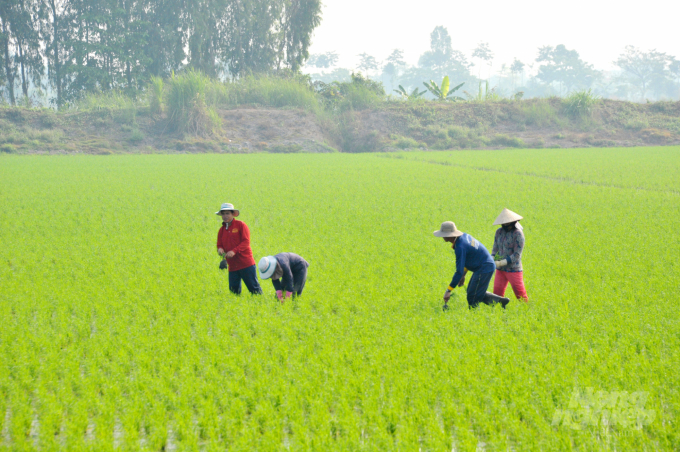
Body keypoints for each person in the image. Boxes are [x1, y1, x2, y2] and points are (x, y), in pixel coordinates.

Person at [433, 221, 510, 310]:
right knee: (473, 291)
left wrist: (448, 290)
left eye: (443, 234)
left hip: (484, 268)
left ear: (449, 235)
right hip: (483, 266)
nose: (442, 237)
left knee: (472, 298)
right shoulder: (463, 237)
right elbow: (470, 257)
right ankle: (500, 301)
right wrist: (464, 274)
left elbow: (458, 271)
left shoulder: (460, 246)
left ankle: (475, 317)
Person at [215, 202, 262, 295]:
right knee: (234, 292)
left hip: (246, 263)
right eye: (223, 214)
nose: (225, 216)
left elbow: (246, 242)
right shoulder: (221, 230)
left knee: (254, 289)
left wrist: (234, 251)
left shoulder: (241, 225)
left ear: (233, 214)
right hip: (232, 265)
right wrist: (220, 249)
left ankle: (259, 305)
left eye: (227, 213)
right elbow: (219, 244)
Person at [491, 208, 529, 302]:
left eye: (507, 223)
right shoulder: (499, 232)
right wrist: (491, 258)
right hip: (500, 270)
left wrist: (501, 263)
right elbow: (495, 247)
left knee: (520, 295)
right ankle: (498, 312)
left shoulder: (518, 234)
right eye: (503, 223)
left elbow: (517, 255)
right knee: (496, 293)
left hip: (513, 269)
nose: (505, 225)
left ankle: (526, 310)